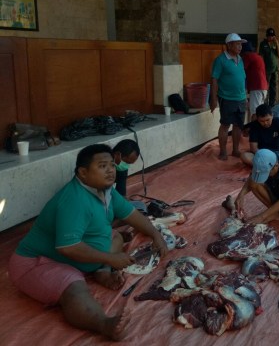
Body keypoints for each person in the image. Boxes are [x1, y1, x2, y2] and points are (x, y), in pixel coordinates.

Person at [8, 144, 168, 340]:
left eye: (111, 164)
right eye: (102, 166)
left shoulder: (106, 191)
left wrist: (155, 235)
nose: (110, 170)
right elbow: (67, 247)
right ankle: (104, 324)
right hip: (38, 263)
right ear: (83, 173)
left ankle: (101, 271)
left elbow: (131, 213)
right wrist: (110, 258)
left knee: (115, 236)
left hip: (77, 257)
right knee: (73, 286)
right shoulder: (74, 200)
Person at [211, 33, 247, 160]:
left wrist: (245, 96)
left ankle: (236, 150)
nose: (240, 47)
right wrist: (214, 99)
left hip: (241, 98)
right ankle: (222, 152)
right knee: (225, 125)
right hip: (226, 98)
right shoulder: (220, 60)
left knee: (238, 125)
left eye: (241, 44)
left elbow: (242, 78)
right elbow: (214, 79)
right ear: (229, 45)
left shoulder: (240, 59)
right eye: (237, 44)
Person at [241, 41, 268, 121]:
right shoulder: (258, 56)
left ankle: (254, 132)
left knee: (255, 112)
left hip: (257, 87)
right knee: (260, 111)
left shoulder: (248, 56)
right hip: (263, 87)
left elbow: (241, 70)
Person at [259, 28, 279, 107]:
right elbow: (261, 56)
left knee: (273, 87)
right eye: (269, 36)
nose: (271, 38)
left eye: (272, 36)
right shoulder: (263, 44)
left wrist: (277, 44)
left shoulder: (275, 44)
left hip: (274, 69)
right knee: (266, 87)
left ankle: (272, 104)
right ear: (267, 36)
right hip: (267, 69)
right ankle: (265, 103)